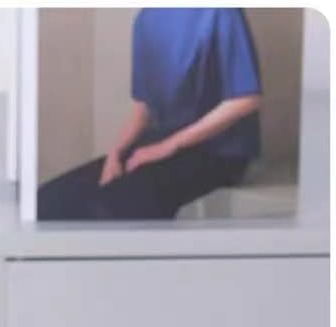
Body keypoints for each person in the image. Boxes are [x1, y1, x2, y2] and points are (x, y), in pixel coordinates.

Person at [38, 8, 262, 221]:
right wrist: (115, 155)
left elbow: (245, 100)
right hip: (159, 145)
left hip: (219, 153)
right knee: (48, 202)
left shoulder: (220, 12)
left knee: (110, 206)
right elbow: (143, 106)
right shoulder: (147, 18)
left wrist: (168, 146)